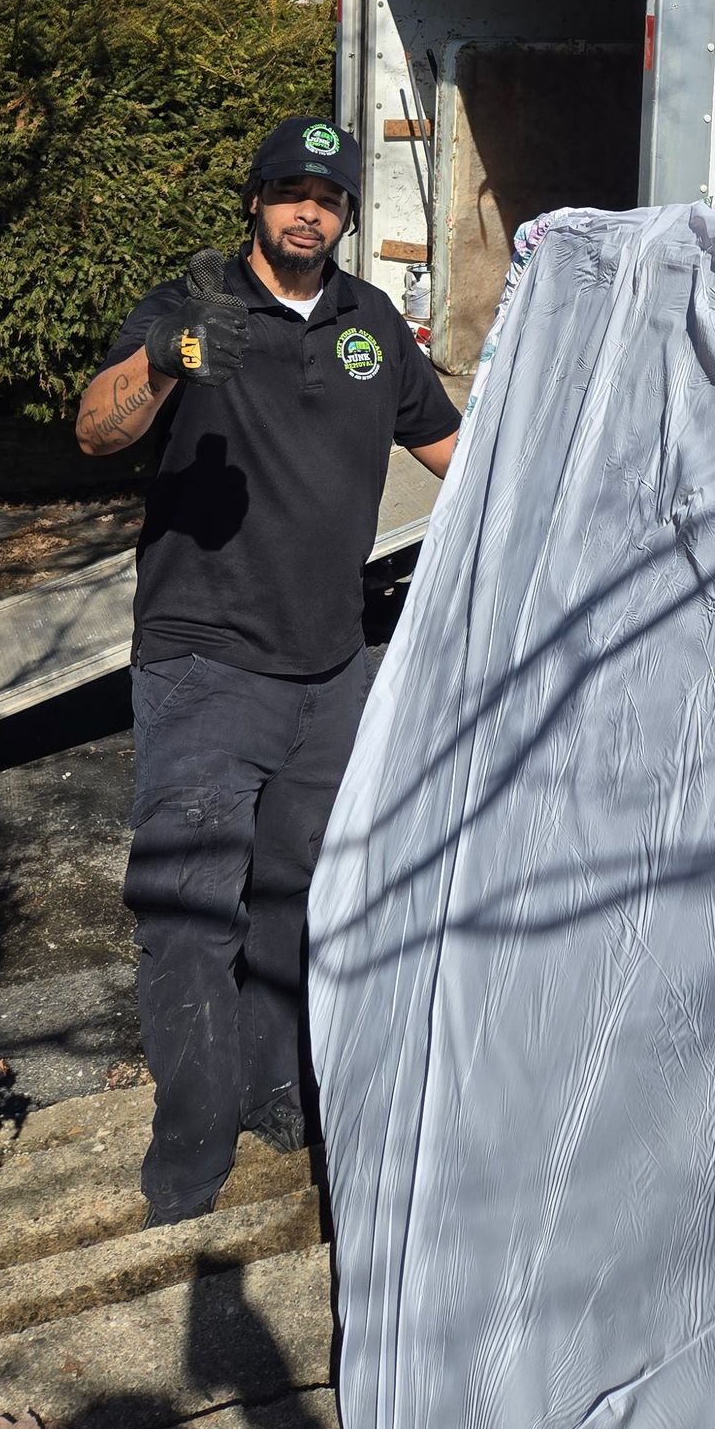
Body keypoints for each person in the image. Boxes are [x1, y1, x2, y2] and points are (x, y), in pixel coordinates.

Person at [75, 116, 460, 1225]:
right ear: (254, 201)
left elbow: (455, 455)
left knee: (296, 897)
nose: (309, 210)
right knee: (191, 910)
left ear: (346, 213)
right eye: (289, 190)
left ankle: (274, 1099)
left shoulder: (368, 323)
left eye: (329, 196)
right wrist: (159, 360)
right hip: (204, 662)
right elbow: (96, 431)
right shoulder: (191, 305)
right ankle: (187, 1167)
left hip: (327, 667)